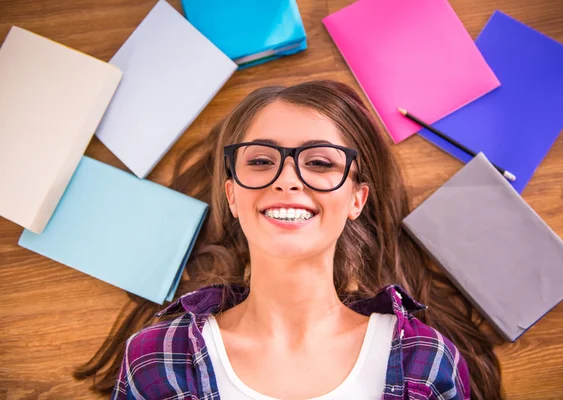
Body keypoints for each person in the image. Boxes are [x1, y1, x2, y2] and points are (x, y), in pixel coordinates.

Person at [75, 81, 503, 399]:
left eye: (318, 162)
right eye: (261, 161)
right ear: (232, 196)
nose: (287, 180)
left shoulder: (425, 360)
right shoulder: (155, 358)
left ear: (356, 199)